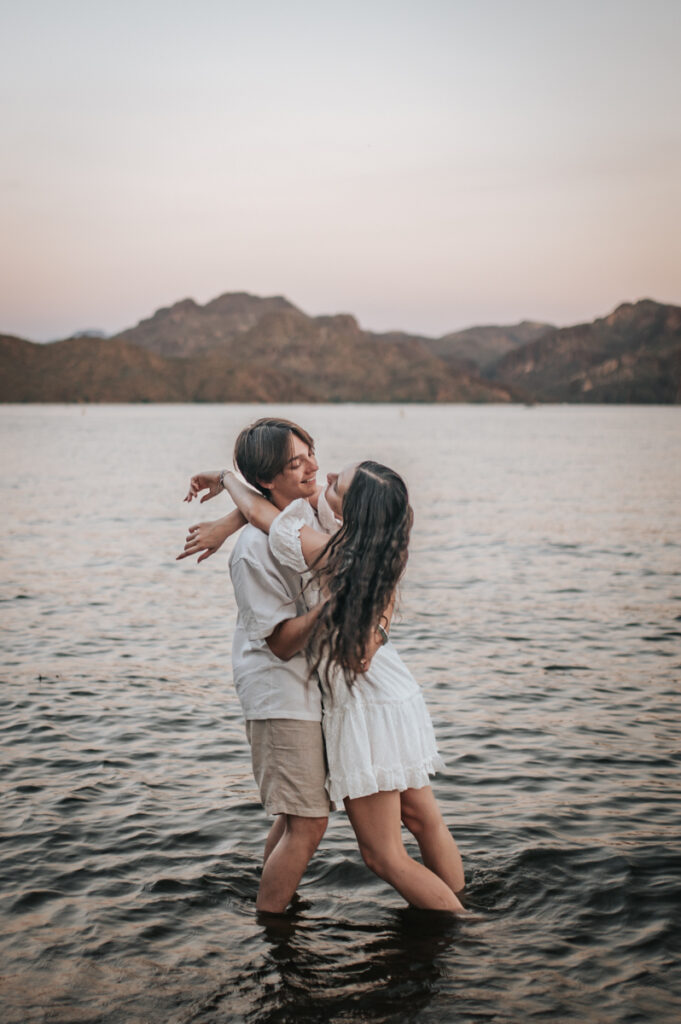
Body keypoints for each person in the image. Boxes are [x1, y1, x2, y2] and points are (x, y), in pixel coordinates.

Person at [182, 447, 466, 913]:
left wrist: (221, 475)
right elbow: (267, 509)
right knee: (424, 820)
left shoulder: (329, 550)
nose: (326, 475)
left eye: (337, 484)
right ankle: (460, 902)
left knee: (383, 855)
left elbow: (260, 510)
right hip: (397, 693)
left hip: (365, 703)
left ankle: (464, 926)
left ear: (349, 513)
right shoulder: (386, 543)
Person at [180, 418, 330, 914]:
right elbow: (283, 644)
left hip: (308, 687)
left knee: (296, 820)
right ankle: (274, 927)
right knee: (308, 823)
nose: (312, 466)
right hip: (279, 692)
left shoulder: (300, 515)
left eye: (310, 452)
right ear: (268, 479)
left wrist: (227, 510)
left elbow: (271, 513)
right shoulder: (251, 553)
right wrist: (336, 607)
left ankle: (270, 904)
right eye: (296, 462)